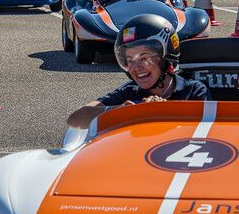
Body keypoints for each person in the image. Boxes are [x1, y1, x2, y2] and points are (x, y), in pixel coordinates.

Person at [67, 14, 211, 129]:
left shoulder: (193, 90)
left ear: (165, 57)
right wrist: (119, 111)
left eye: (144, 58)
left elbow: (206, 128)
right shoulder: (130, 91)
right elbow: (75, 119)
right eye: (130, 60)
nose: (136, 67)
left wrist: (163, 109)